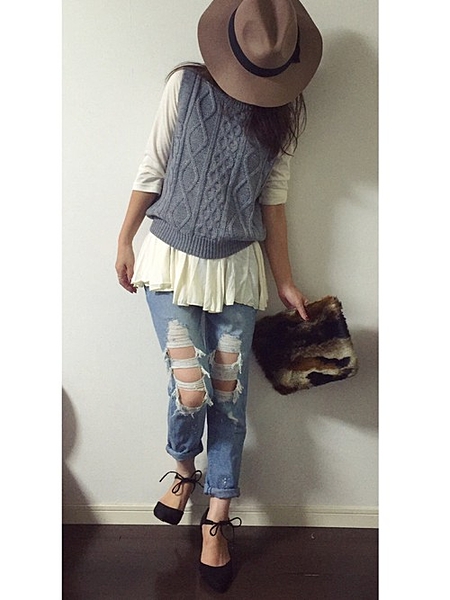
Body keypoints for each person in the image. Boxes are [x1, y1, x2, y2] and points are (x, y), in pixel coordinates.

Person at [115, 0, 322, 593]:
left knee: (229, 396)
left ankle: (217, 518)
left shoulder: (284, 113)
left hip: (237, 269)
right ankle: (184, 469)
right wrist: (125, 238)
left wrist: (285, 279)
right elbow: (152, 166)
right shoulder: (185, 87)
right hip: (169, 258)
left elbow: (273, 201)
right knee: (191, 386)